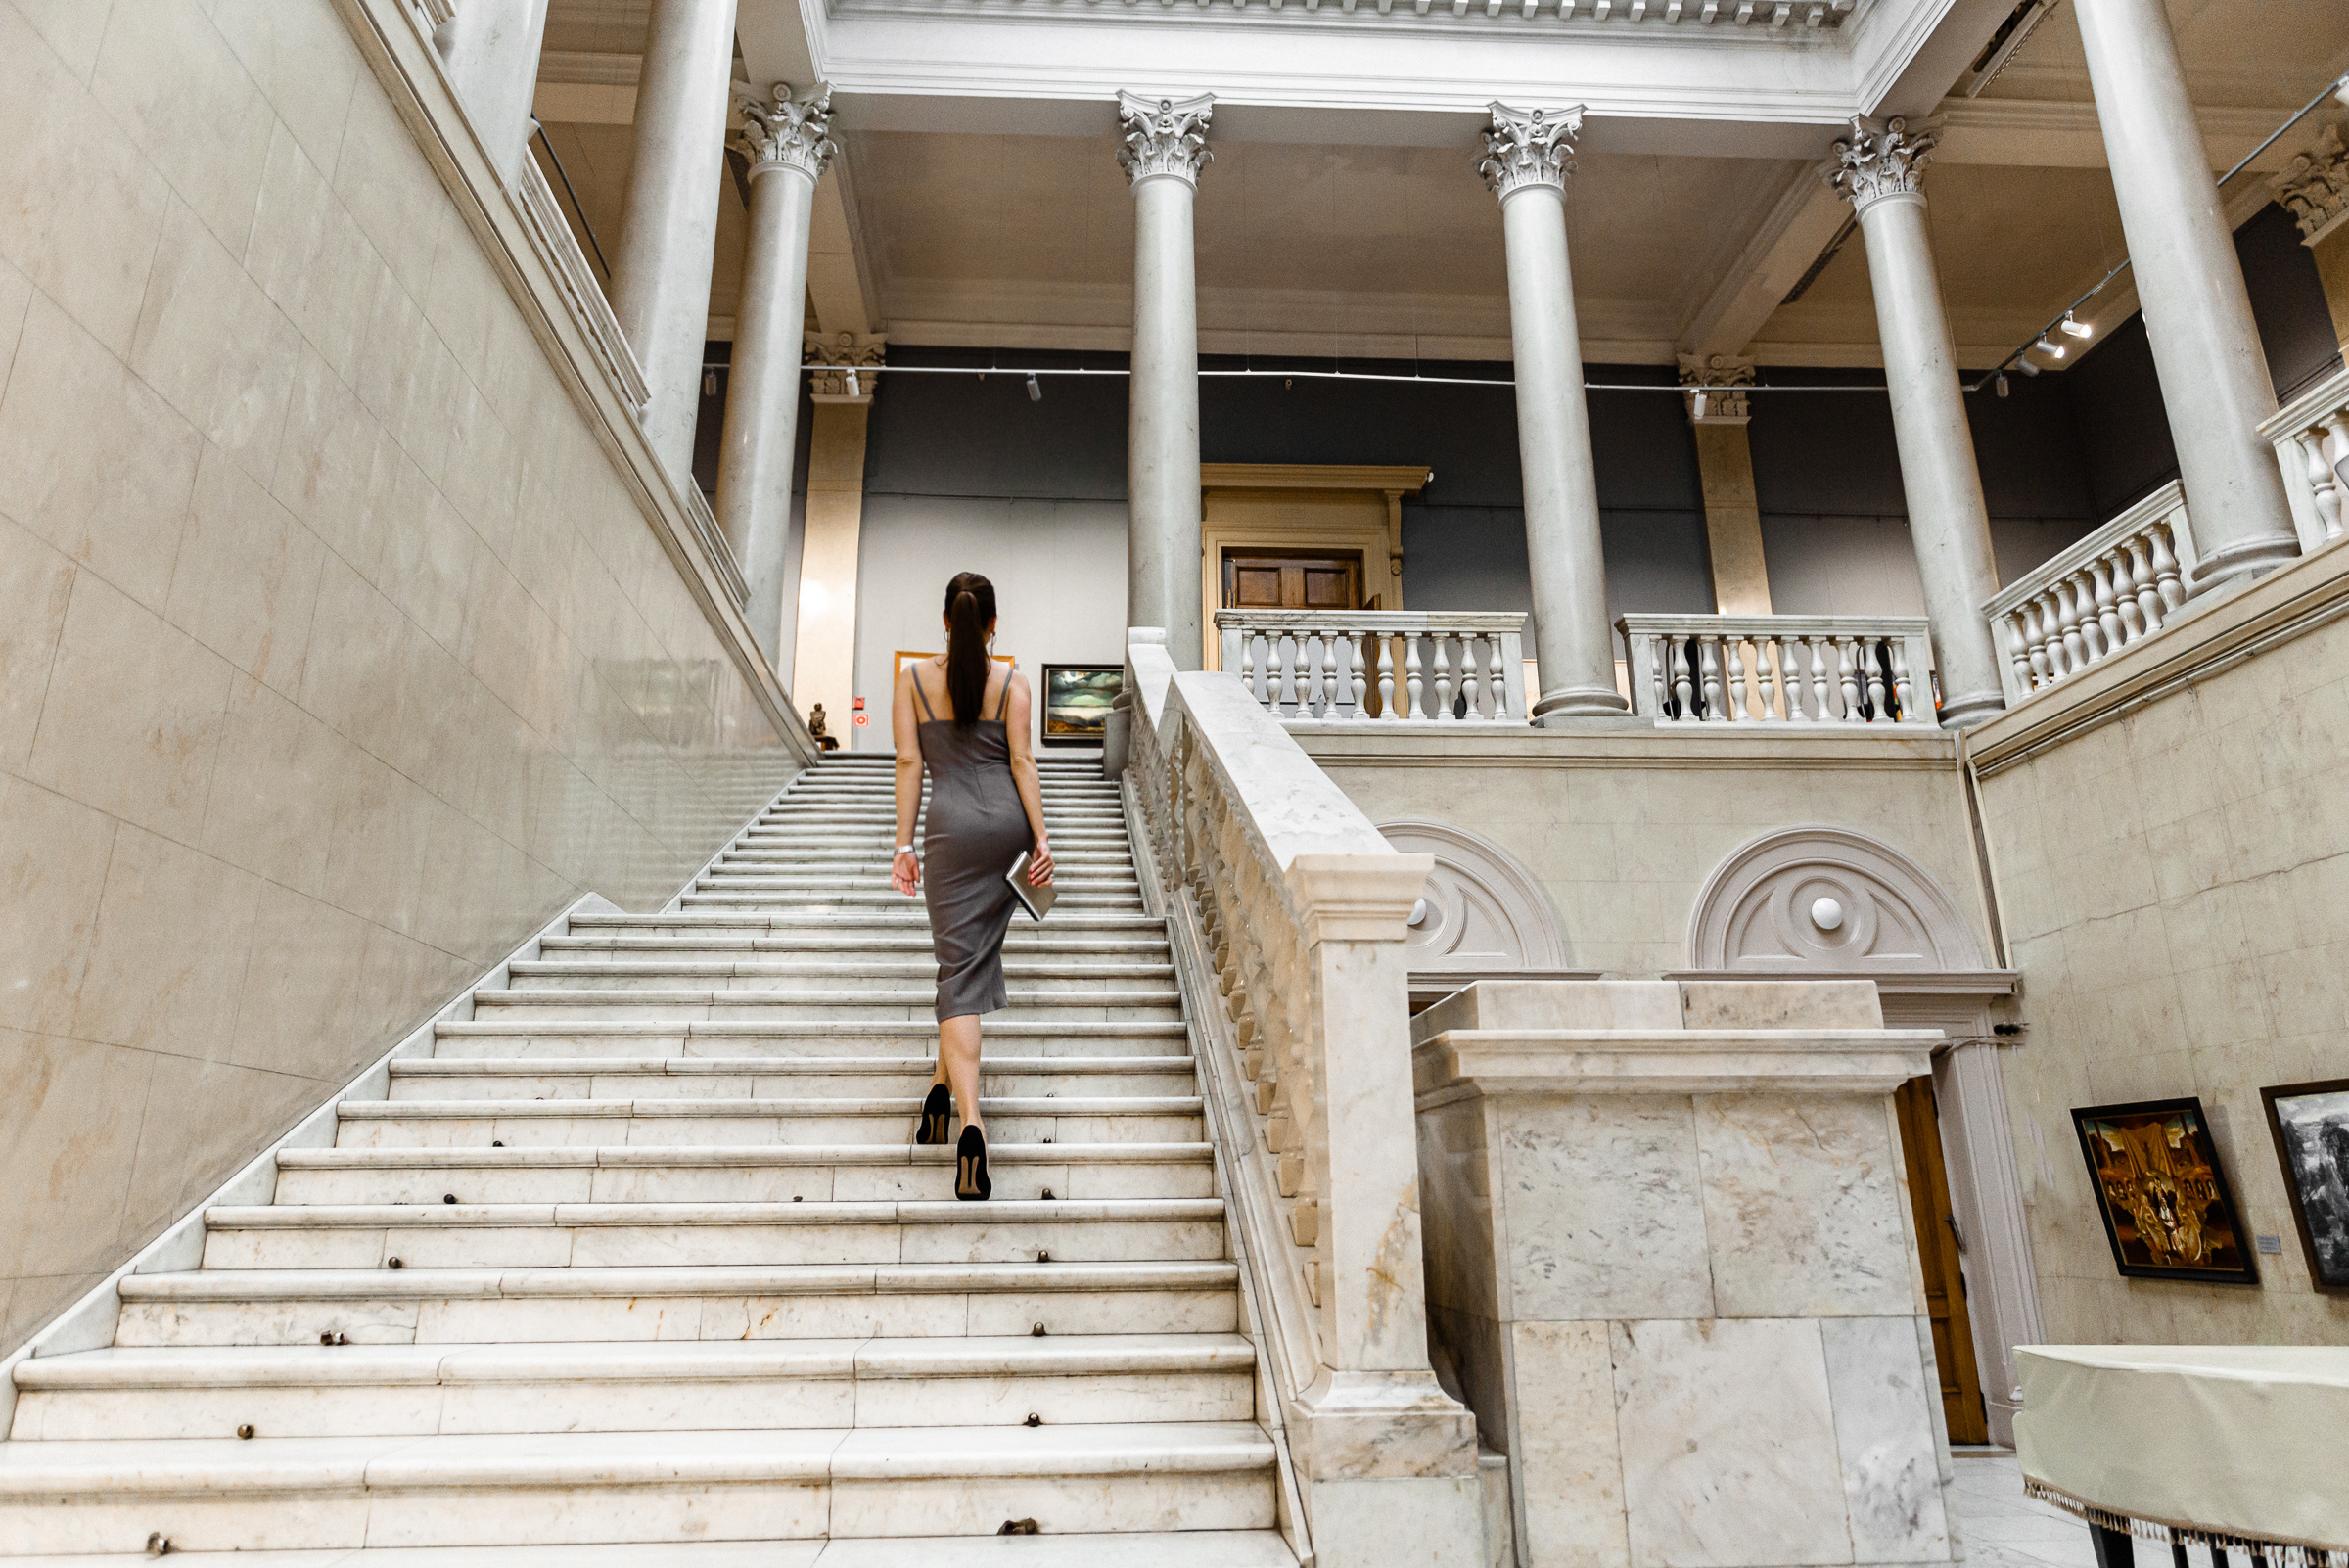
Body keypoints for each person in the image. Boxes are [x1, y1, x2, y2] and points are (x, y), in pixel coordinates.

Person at [889, 572, 1054, 1200]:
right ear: (992, 624)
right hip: (1006, 831)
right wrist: (1042, 839)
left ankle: (971, 1129)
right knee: (968, 963)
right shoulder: (1013, 683)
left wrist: (903, 846)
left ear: (945, 620)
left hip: (950, 833)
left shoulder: (912, 682)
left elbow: (910, 763)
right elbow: (1022, 761)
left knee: (958, 970)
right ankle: (939, 1092)